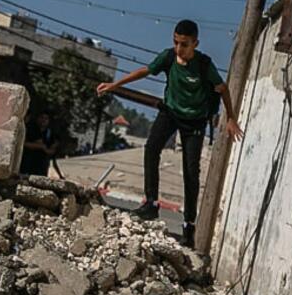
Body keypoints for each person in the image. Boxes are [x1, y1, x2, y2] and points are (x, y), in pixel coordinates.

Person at [95, 19, 243, 244]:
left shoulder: (204, 65)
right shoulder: (168, 57)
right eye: (176, 43)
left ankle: (189, 225)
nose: (179, 49)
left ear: (195, 43)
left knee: (191, 172)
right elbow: (145, 71)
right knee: (151, 148)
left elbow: (222, 89)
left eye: (184, 44)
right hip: (171, 113)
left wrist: (230, 117)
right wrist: (115, 85)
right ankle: (151, 203)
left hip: (194, 122)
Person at [19, 109, 56, 177]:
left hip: (42, 165)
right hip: (28, 163)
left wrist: (45, 148)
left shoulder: (50, 133)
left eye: (46, 118)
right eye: (42, 117)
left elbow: (52, 148)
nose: (43, 120)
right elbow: (23, 143)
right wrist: (41, 146)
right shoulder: (31, 129)